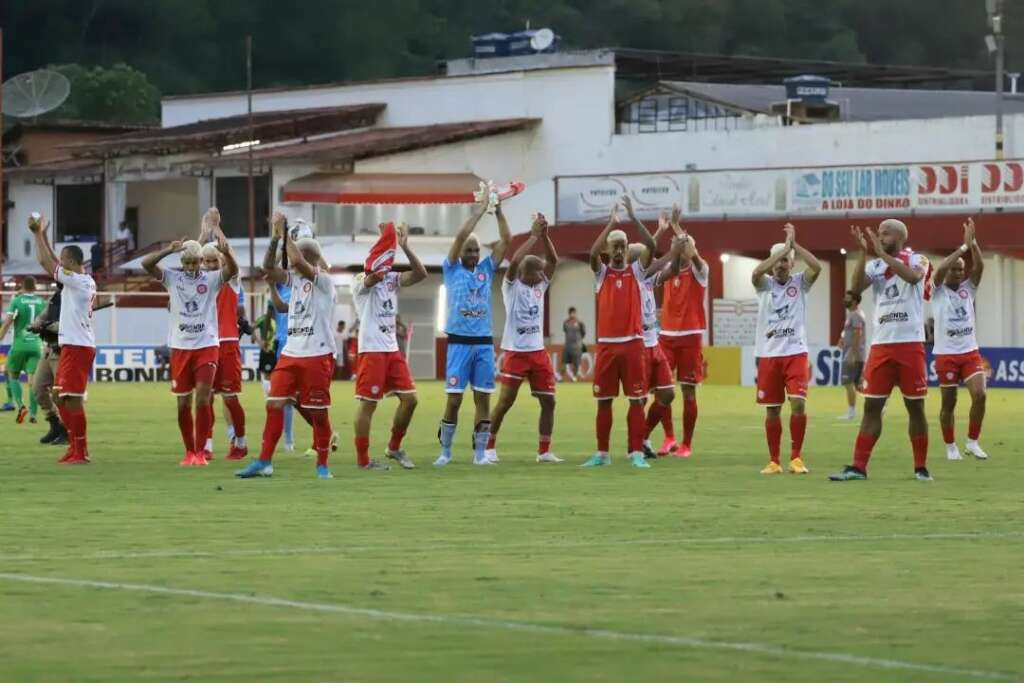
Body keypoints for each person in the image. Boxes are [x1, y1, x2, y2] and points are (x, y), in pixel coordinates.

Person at [237, 211, 338, 479]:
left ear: (312, 260)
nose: (294, 265)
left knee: (318, 414)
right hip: (291, 353)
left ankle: (323, 464)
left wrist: (284, 233)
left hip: (317, 355)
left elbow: (295, 260)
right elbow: (268, 268)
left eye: (301, 258)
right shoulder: (295, 283)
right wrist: (274, 238)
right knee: (274, 403)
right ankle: (264, 461)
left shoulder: (324, 282)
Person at [831, 219, 933, 482]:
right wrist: (864, 252)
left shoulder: (917, 260)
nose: (880, 236)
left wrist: (883, 255)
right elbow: (854, 292)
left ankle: (920, 467)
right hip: (882, 346)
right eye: (879, 234)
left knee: (916, 409)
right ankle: (858, 467)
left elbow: (912, 278)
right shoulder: (875, 265)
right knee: (872, 408)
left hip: (910, 344)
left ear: (900, 236)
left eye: (884, 233)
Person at [143, 236, 237, 466]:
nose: (192, 267)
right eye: (188, 263)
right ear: (182, 262)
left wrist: (228, 254)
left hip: (206, 346)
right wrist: (167, 250)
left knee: (203, 397)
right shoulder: (172, 279)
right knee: (183, 403)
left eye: (196, 262)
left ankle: (201, 451)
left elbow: (232, 270)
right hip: (181, 347)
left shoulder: (212, 279)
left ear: (201, 261)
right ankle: (189, 452)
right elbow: (146, 264)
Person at [582, 198, 658, 469]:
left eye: (622, 246)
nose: (618, 250)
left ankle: (635, 452)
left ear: (627, 250)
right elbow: (592, 255)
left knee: (636, 399)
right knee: (604, 401)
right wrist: (610, 225)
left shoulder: (636, 272)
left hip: (633, 344)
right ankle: (602, 454)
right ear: (608, 249)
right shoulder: (601, 274)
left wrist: (634, 217)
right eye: (614, 246)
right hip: (607, 346)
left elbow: (651, 245)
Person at [434, 197, 510, 466]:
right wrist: (480, 212)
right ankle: (445, 452)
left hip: (483, 344)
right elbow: (461, 235)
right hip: (458, 344)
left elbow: (506, 241)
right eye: (469, 251)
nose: (473, 255)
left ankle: (479, 455)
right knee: (454, 400)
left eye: (476, 251)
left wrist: (499, 212)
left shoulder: (487, 270)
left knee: (483, 399)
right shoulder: (451, 268)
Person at [486, 214, 562, 464]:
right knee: (505, 402)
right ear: (527, 273)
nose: (544, 274)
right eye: (539, 271)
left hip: (538, 353)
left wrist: (546, 236)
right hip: (516, 353)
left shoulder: (539, 287)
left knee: (549, 402)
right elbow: (516, 259)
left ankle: (544, 451)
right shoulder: (511, 288)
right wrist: (531, 237)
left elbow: (553, 260)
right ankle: (488, 447)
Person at [351, 222, 426, 471]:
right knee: (368, 404)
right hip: (371, 349)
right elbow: (371, 280)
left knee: (411, 400)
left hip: (392, 349)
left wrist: (404, 246)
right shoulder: (360, 280)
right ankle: (363, 460)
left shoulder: (393, 279)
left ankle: (394, 447)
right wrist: (378, 267)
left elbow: (420, 274)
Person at [750, 224, 821, 475]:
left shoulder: (801, 283)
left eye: (786, 261)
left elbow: (817, 267)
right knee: (772, 409)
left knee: (798, 405)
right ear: (773, 263)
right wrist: (781, 251)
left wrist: (794, 244)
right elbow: (756, 272)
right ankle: (773, 460)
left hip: (795, 353)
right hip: (769, 355)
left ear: (792, 264)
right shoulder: (764, 285)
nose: (781, 265)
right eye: (778, 261)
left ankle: (796, 458)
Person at [28, 213, 96, 464]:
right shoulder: (82, 280)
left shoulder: (76, 282)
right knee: (60, 396)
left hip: (78, 346)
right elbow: (54, 261)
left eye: (65, 260)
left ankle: (80, 451)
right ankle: (76, 447)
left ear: (73, 262)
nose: (61, 263)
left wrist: (36, 235)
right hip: (75, 345)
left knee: (71, 398)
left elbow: (47, 263)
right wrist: (44, 234)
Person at [931, 217, 988, 461]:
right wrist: (963, 248)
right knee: (949, 403)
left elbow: (981, 267)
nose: (957, 272)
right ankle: (950, 445)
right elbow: (941, 268)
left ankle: (972, 442)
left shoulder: (968, 289)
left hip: (969, 351)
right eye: (955, 269)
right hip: (946, 354)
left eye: (961, 269)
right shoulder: (937, 290)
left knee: (981, 395)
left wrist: (973, 243)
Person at [657, 205, 708, 458]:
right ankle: (669, 438)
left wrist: (677, 227)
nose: (680, 248)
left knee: (688, 390)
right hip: (666, 336)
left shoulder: (701, 271)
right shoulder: (668, 271)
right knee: (662, 388)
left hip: (690, 336)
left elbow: (692, 251)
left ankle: (687, 444)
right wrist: (664, 230)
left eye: (684, 245)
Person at [637, 229, 688, 459]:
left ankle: (642, 437)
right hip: (637, 346)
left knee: (667, 393)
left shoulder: (648, 281)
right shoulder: (633, 277)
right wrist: (672, 250)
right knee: (638, 399)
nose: (652, 262)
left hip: (653, 343)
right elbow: (654, 265)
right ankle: (637, 443)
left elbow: (674, 270)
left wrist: (675, 255)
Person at [201, 242, 249, 461]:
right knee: (206, 398)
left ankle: (240, 442)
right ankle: (206, 445)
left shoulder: (231, 278)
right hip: (205, 344)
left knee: (230, 398)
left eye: (214, 260)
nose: (211, 265)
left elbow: (233, 265)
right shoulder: (200, 281)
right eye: (207, 261)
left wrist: (221, 238)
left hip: (228, 343)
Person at [0, 276, 46, 424]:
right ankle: (33, 414)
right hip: (37, 345)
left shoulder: (17, 301)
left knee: (11, 374)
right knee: (32, 382)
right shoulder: (42, 303)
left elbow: (7, 323)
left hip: (20, 344)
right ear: (36, 287)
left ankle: (20, 406)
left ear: (21, 286)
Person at [29, 285, 68, 445]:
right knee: (38, 389)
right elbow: (46, 313)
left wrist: (49, 326)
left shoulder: (77, 297)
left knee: (63, 395)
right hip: (48, 348)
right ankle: (55, 425)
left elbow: (74, 324)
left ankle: (68, 431)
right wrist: (38, 323)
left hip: (63, 351)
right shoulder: (57, 296)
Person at [837, 290, 866, 420]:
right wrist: (842, 338)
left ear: (854, 301)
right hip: (852, 352)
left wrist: (852, 353)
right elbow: (849, 331)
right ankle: (879, 404)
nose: (844, 300)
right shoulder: (852, 314)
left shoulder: (856, 315)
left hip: (853, 354)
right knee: (857, 385)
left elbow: (857, 333)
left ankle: (851, 412)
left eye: (847, 298)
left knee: (847, 382)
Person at [561, 307, 585, 382]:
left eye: (574, 313)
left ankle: (574, 377)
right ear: (569, 314)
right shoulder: (566, 322)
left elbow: (583, 333)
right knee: (564, 362)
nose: (572, 314)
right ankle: (561, 378)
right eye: (571, 313)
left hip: (576, 347)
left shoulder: (580, 323)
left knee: (576, 363)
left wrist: (578, 341)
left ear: (575, 313)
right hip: (567, 346)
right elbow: (565, 331)